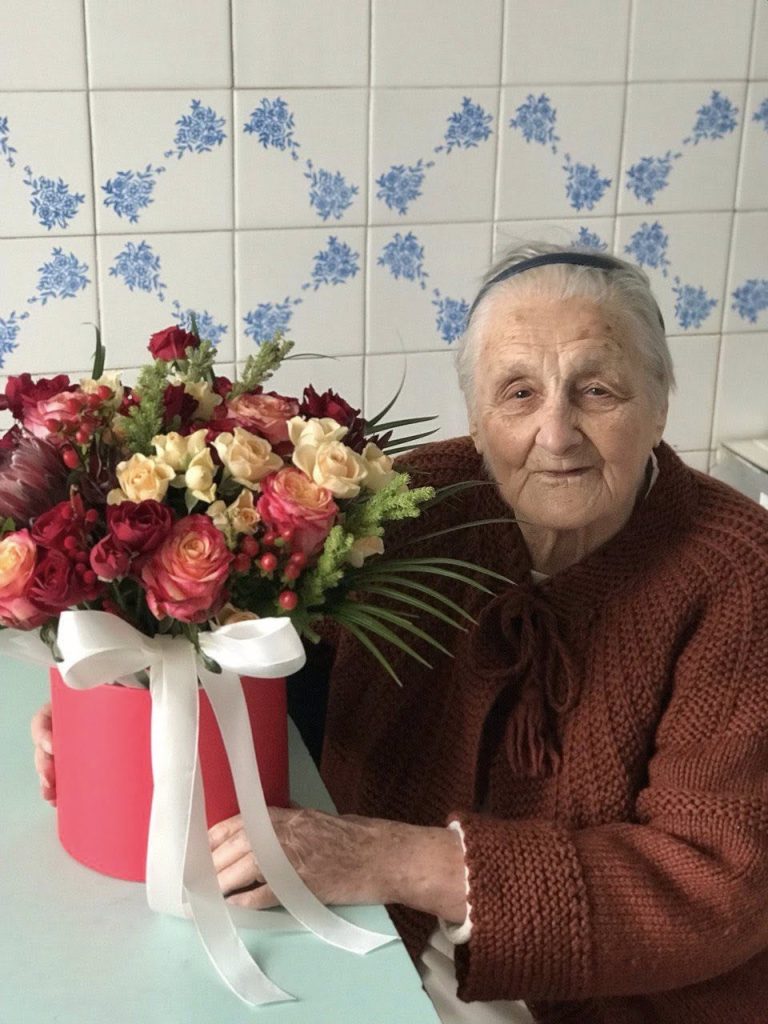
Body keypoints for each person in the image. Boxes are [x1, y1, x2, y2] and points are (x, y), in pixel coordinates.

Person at [32, 244, 768, 1023]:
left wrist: (394, 861)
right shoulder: (418, 504)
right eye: (518, 392)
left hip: (612, 999)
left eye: (597, 390)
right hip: (381, 943)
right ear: (477, 420)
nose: (556, 433)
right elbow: (280, 656)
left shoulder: (739, 576)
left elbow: (716, 886)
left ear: (659, 405)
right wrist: (133, 705)